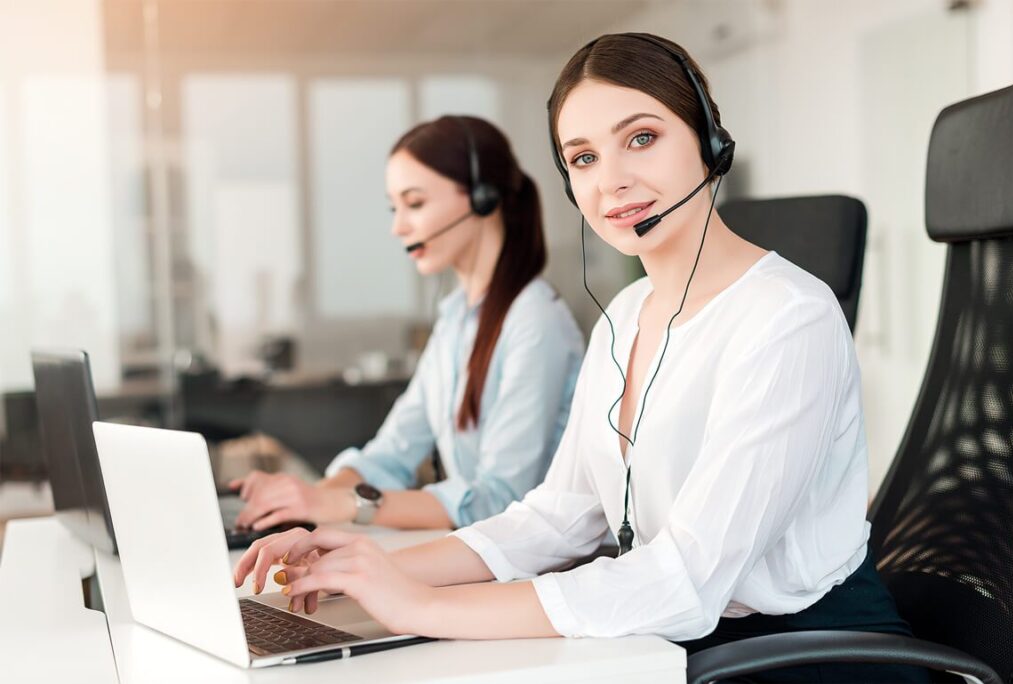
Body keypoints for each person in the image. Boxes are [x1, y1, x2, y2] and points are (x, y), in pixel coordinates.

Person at [234, 34, 926, 682]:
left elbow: (685, 577)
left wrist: (419, 605)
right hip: (676, 643)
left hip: (806, 655)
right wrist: (367, 564)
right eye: (584, 158)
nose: (611, 181)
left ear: (710, 143)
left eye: (643, 139)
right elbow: (557, 519)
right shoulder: (624, 317)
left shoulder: (788, 318)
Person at [231, 115, 583, 531]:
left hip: (535, 570)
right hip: (483, 558)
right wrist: (306, 505)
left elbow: (498, 499)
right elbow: (391, 454)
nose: (398, 227)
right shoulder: (456, 322)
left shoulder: (535, 321)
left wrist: (341, 504)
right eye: (394, 208)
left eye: (414, 203)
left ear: (483, 198)